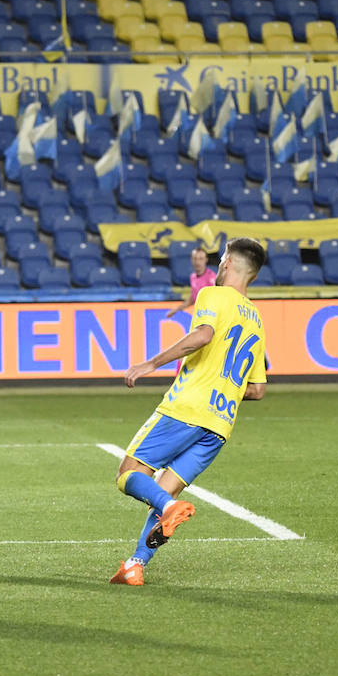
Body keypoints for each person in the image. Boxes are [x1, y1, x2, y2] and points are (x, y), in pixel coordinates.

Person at [110, 237, 269, 587]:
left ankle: (167, 511)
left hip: (188, 407)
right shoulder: (257, 320)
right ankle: (136, 564)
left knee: (128, 474)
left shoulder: (212, 295)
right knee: (166, 492)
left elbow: (202, 335)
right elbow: (257, 390)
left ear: (227, 264)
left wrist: (151, 363)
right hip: (220, 425)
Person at [168, 245, 217, 319]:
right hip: (201, 315)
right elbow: (193, 298)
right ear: (191, 260)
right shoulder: (193, 277)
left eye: (201, 259)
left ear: (206, 260)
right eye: (195, 258)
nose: (197, 262)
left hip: (212, 316)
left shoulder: (212, 278)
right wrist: (176, 310)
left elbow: (218, 300)